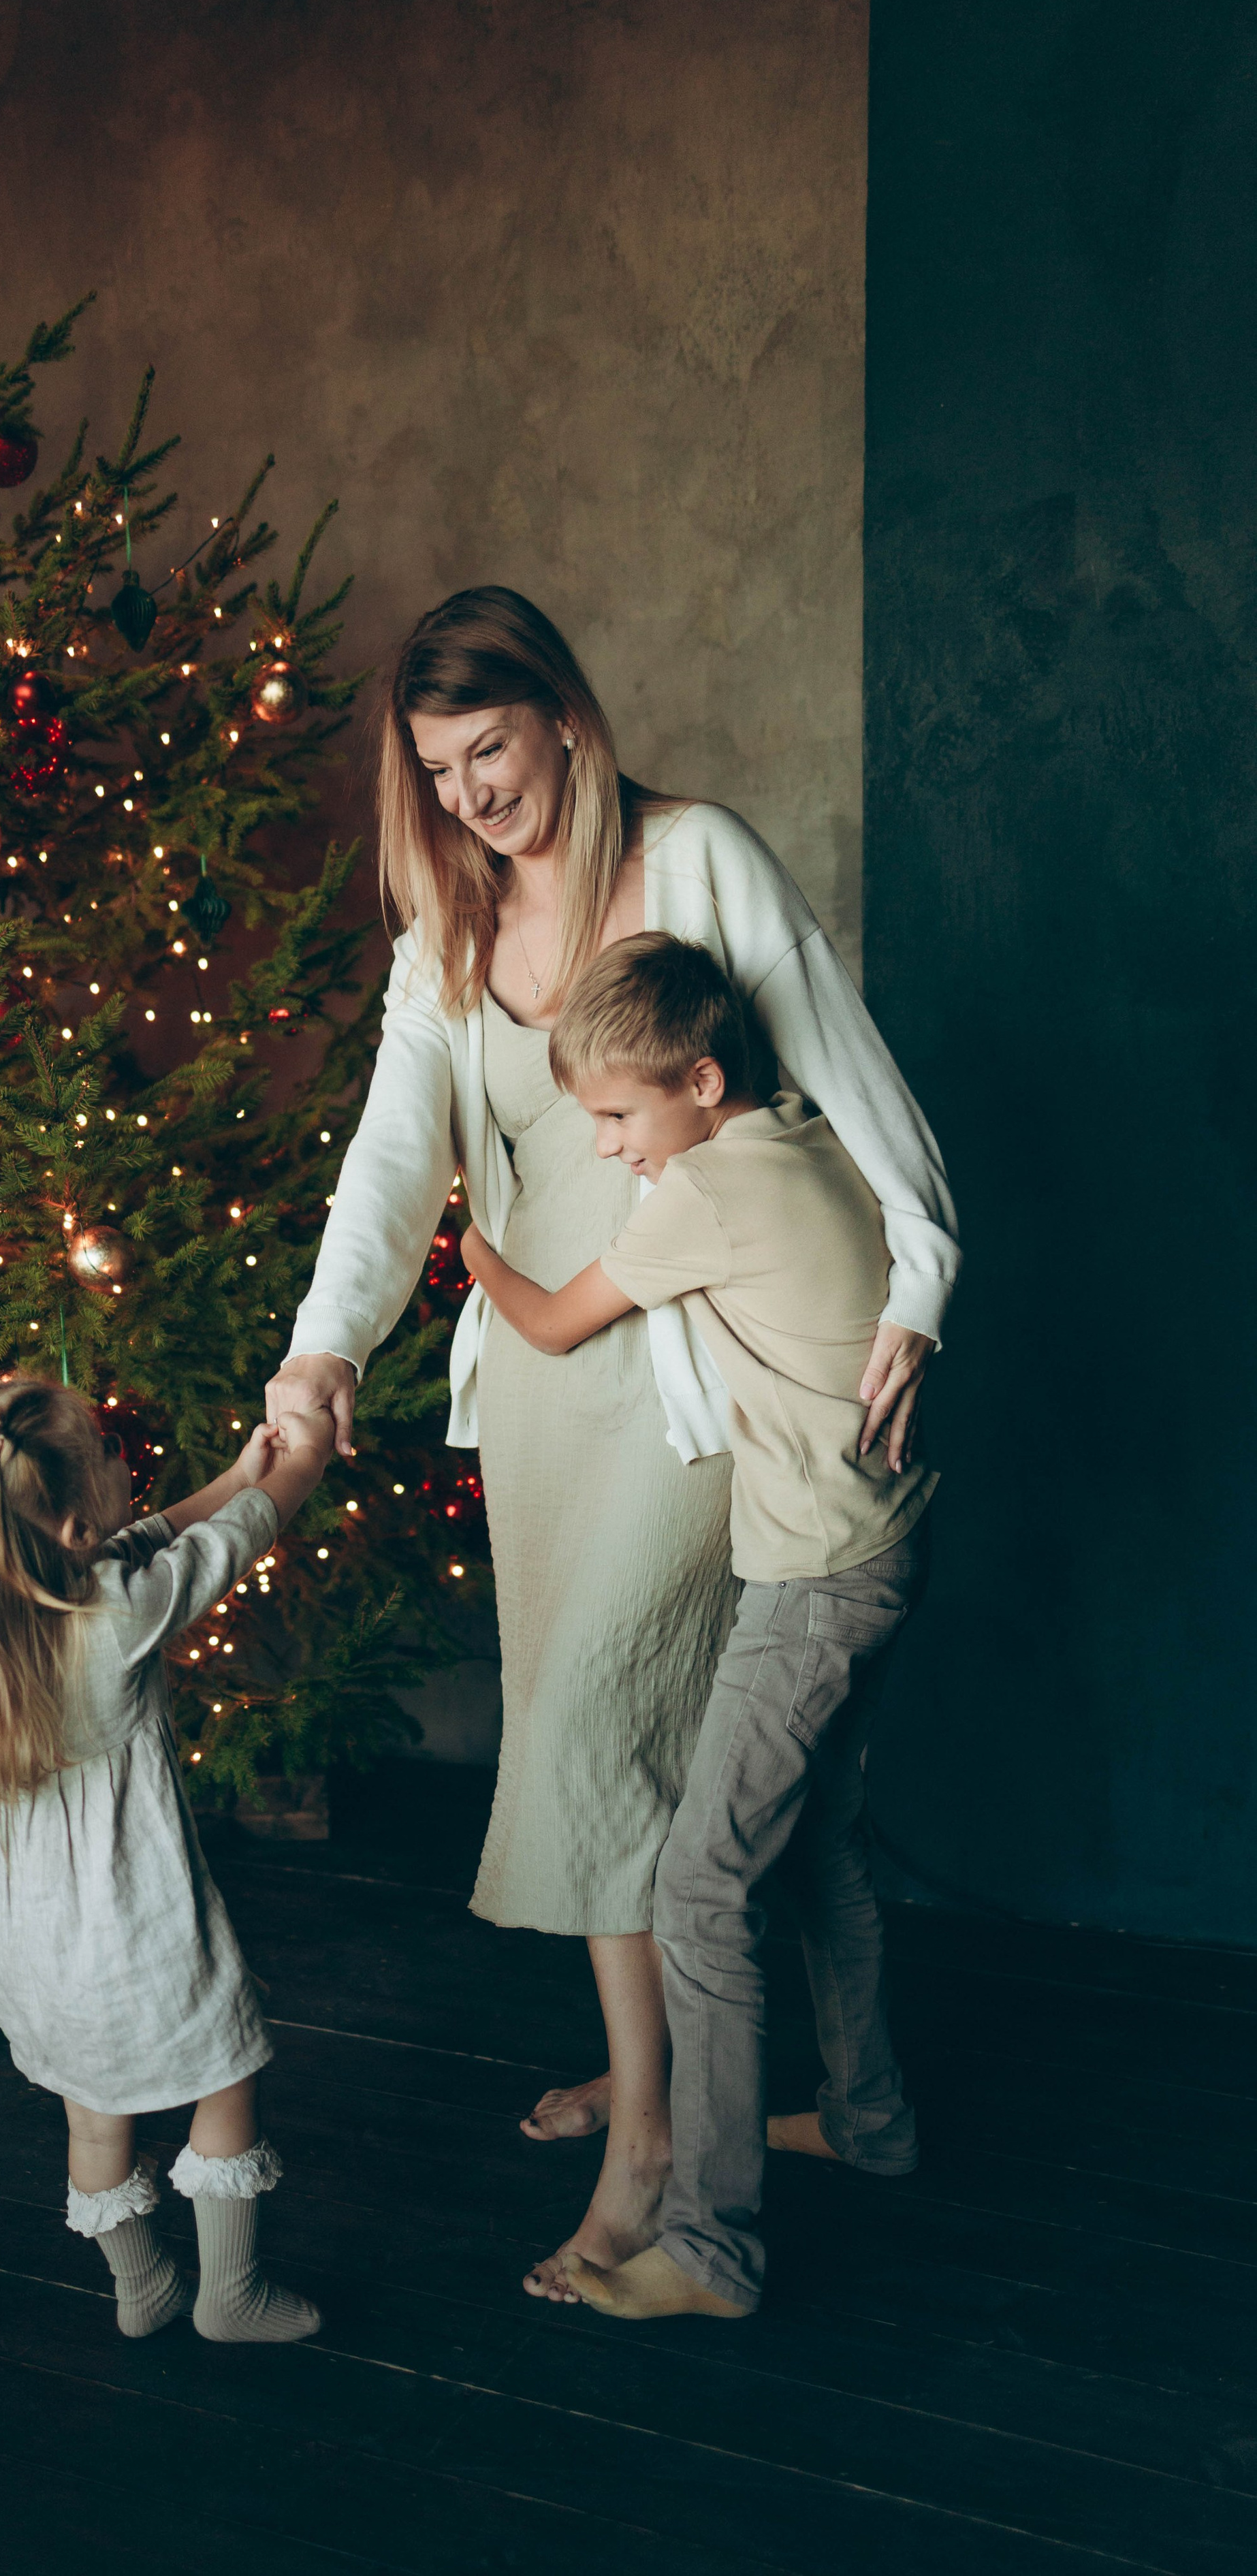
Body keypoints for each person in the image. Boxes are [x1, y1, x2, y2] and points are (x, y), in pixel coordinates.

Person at [267, 586, 957, 2299]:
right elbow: (385, 1164)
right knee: (630, 1755)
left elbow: (837, 1070)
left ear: (563, 716)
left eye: (486, 752)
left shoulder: (699, 860)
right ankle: (697, 2079)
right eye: (435, 774)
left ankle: (654, 2138)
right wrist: (321, 1346)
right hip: (543, 1413)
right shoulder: (449, 928)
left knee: (594, 1730)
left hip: (683, 1391)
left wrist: (924, 1276)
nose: (468, 798)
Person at [461, 932, 935, 2319]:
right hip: (889, 1538)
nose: (606, 1147)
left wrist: (472, 1236)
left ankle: (710, 2249)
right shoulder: (800, 1139)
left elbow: (550, 1324)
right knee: (818, 1847)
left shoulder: (703, 1193)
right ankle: (866, 2120)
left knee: (699, 1884)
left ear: (701, 1080)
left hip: (815, 1582)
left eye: (617, 1114)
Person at [0, 1376, 334, 2344]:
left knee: (95, 2120)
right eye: (105, 1457)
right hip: (132, 1926)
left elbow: (141, 1542)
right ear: (64, 1536)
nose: (118, 1463)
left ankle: (140, 2284)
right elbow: (218, 1551)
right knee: (227, 2076)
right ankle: (230, 2296)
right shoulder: (110, 1619)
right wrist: (299, 1463)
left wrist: (235, 1472)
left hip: (34, 1945)